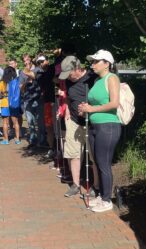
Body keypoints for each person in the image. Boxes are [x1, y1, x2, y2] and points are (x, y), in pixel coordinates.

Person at [78, 50, 121, 212]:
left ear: (107, 64)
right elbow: (93, 105)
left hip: (108, 126)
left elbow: (114, 103)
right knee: (97, 161)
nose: (92, 64)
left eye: (96, 61)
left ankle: (107, 199)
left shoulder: (112, 78)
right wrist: (85, 109)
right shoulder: (97, 80)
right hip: (95, 126)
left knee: (104, 163)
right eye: (92, 62)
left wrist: (92, 108)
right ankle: (101, 195)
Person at [58, 56, 99, 198]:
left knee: (94, 155)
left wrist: (90, 108)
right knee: (73, 153)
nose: (68, 78)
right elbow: (69, 97)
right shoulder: (69, 81)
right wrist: (68, 109)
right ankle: (75, 184)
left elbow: (101, 99)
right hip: (74, 121)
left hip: (91, 121)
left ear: (77, 68)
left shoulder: (92, 78)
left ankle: (96, 186)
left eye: (69, 74)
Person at [0, 66, 22, 145]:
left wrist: (1, 95)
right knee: (16, 122)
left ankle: (6, 140)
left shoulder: (2, 82)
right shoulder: (16, 81)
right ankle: (17, 139)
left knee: (5, 122)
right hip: (14, 103)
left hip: (4, 102)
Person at [20, 54, 42, 146]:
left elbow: (42, 83)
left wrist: (31, 75)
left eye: (28, 59)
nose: (26, 62)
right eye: (25, 60)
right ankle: (33, 140)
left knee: (40, 121)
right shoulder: (22, 72)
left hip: (38, 97)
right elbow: (20, 86)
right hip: (27, 99)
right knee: (30, 121)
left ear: (31, 60)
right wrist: (26, 82)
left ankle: (42, 141)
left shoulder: (38, 69)